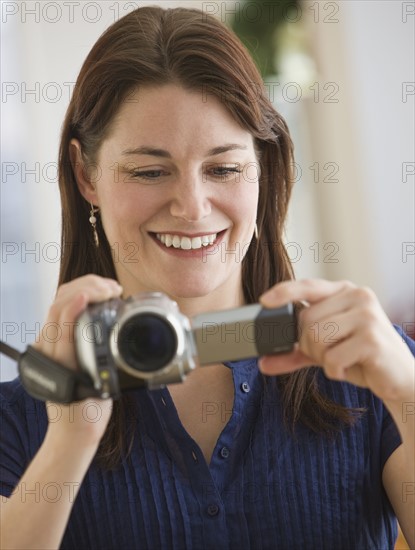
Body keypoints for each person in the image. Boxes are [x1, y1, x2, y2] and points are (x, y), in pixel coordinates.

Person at [1, 6, 414, 550]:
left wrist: (406, 393)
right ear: (86, 175)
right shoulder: (18, 426)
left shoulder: (373, 378)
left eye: (223, 168)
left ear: (262, 167)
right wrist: (69, 442)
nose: (193, 208)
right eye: (150, 171)